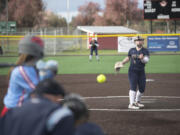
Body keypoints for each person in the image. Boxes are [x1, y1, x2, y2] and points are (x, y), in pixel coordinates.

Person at [1, 35, 58, 116]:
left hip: (22, 110)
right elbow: (39, 90)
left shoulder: (31, 67)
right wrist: (48, 73)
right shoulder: (20, 71)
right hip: (13, 112)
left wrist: (46, 71)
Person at [0, 79, 75, 135]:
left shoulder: (12, 112)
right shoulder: (60, 114)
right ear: (57, 96)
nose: (59, 102)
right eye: (60, 98)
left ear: (34, 95)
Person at [114, 36, 150, 109]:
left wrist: (142, 58)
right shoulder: (131, 50)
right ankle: (131, 104)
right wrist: (122, 63)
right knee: (133, 87)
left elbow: (146, 60)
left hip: (141, 71)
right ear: (135, 42)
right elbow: (128, 58)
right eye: (137, 40)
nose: (139, 41)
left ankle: (137, 101)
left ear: (143, 42)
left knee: (142, 88)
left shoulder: (145, 51)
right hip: (132, 71)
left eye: (140, 40)